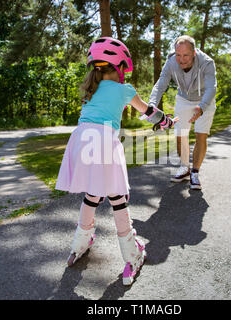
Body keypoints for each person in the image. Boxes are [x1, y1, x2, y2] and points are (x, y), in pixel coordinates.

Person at [55, 37, 176, 286]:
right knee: (117, 199)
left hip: (80, 140)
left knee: (92, 194)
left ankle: (80, 242)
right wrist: (167, 122)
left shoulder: (91, 87)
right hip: (103, 142)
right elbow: (149, 112)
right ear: (120, 66)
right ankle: (132, 256)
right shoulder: (125, 90)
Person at [148, 35, 217, 190]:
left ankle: (195, 173)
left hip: (204, 100)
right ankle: (185, 168)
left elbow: (212, 87)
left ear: (193, 53)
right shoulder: (171, 62)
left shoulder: (206, 62)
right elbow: (161, 84)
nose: (181, 59)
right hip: (184, 99)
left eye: (185, 55)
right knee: (181, 134)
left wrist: (202, 106)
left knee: (201, 134)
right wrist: (151, 105)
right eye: (178, 55)